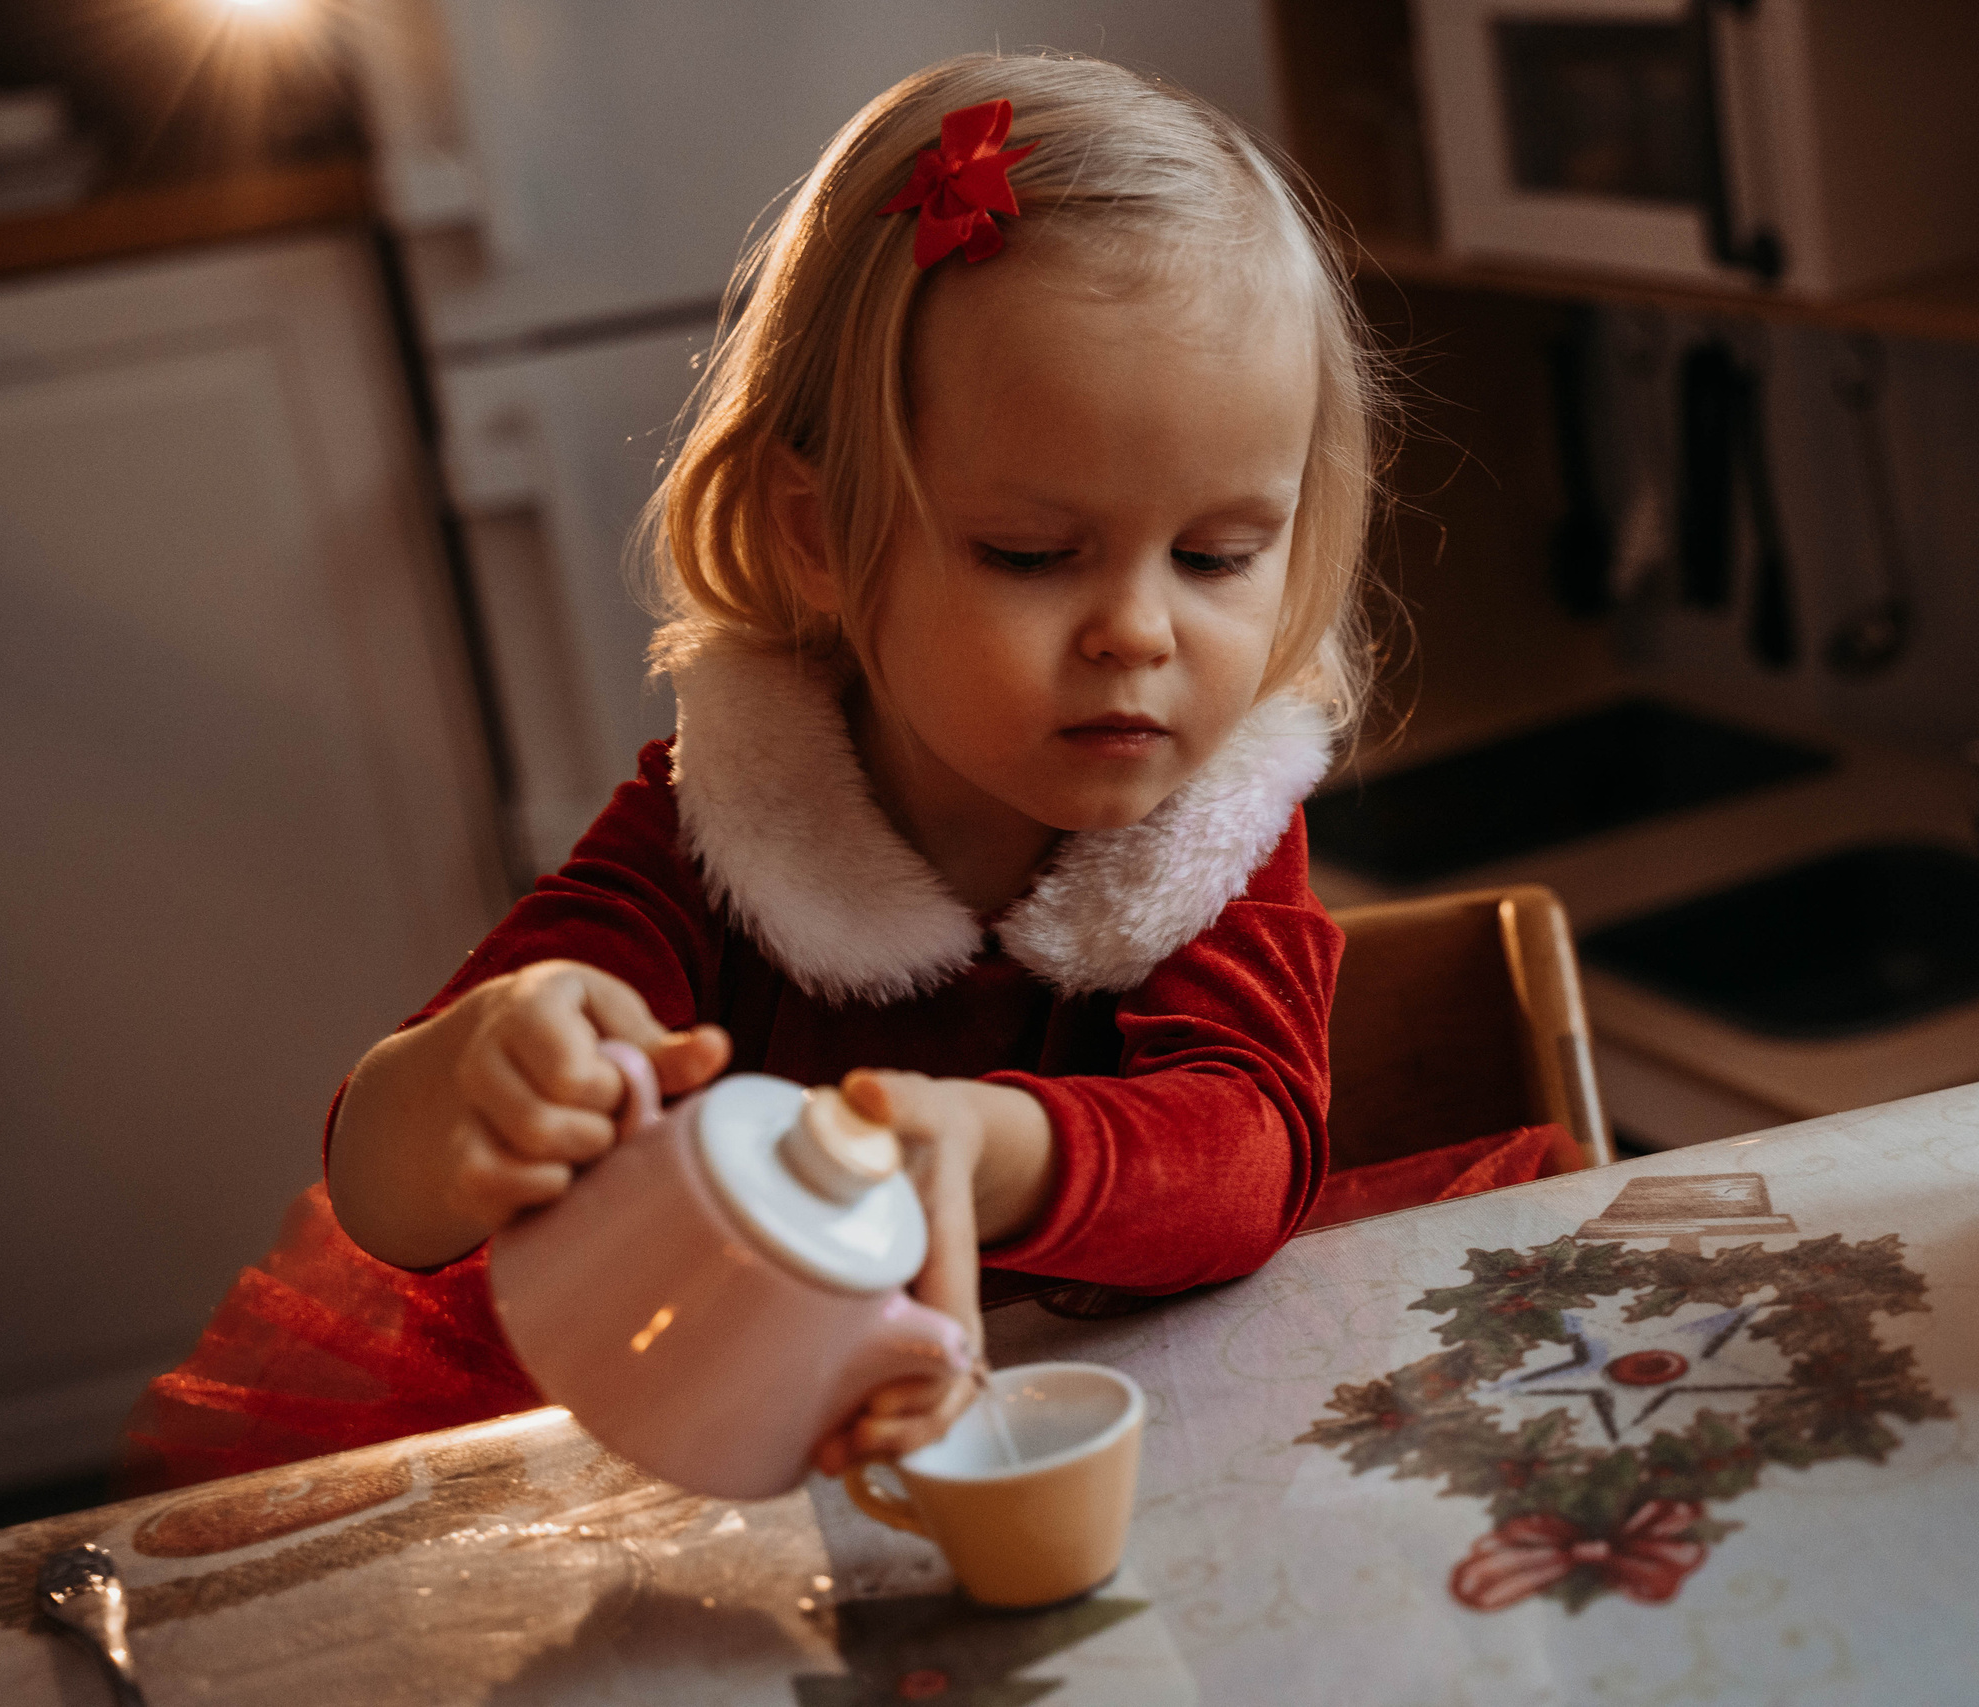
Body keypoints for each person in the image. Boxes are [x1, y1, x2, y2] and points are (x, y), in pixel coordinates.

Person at [122, 51, 1561, 1497]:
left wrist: (991, 1149)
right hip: (753, 1480)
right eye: (1029, 554)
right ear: (816, 535)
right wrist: (481, 1078)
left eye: (1217, 556)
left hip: (1167, 1466)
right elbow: (382, 1192)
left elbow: (1247, 1157)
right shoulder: (718, 835)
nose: (1139, 630)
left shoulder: (1219, 834)